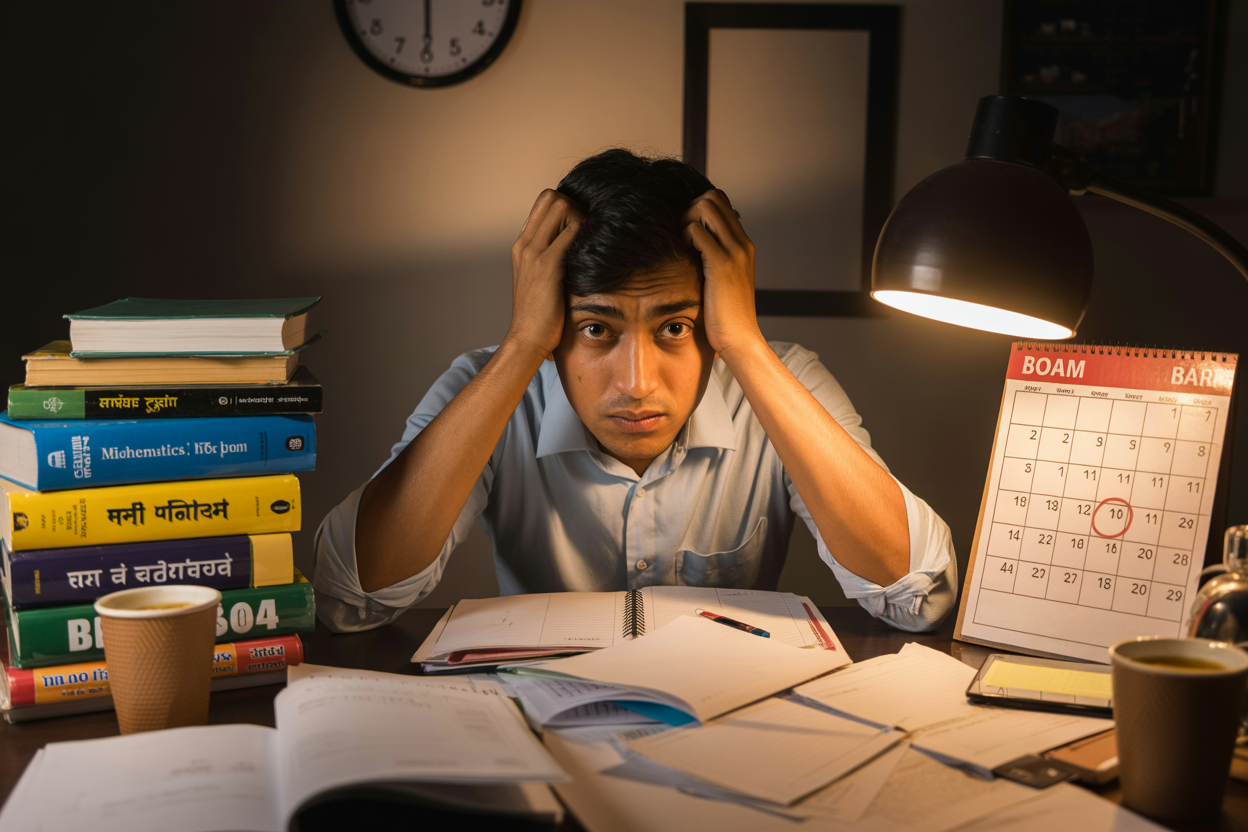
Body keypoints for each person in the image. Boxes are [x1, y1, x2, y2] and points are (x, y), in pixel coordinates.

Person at [314, 149, 956, 633]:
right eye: (597, 328)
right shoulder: (493, 385)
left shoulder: (778, 378)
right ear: (554, 323)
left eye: (675, 326)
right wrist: (521, 346)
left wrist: (743, 343)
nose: (637, 383)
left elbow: (915, 595)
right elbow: (353, 597)